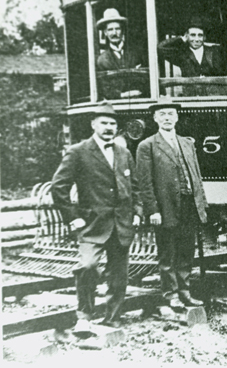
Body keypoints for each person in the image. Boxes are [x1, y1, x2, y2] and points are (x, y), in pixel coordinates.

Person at [51, 101, 142, 332]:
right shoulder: (78, 151)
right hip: (92, 224)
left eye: (112, 123)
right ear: (93, 124)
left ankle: (112, 318)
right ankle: (84, 316)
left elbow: (135, 187)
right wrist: (73, 217)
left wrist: (138, 212)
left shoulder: (124, 152)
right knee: (88, 266)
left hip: (121, 223)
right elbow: (59, 187)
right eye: (103, 123)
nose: (109, 127)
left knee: (119, 275)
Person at [136, 97, 208, 309]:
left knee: (186, 249)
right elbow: (145, 182)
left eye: (170, 114)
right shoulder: (146, 145)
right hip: (165, 206)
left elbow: (196, 176)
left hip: (189, 204)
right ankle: (171, 293)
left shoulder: (187, 143)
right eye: (162, 114)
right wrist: (152, 210)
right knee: (167, 251)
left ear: (177, 117)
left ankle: (185, 291)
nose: (167, 118)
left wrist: (202, 204)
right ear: (155, 118)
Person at [95, 8, 146, 99]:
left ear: (122, 30)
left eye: (117, 29)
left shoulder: (136, 54)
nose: (114, 33)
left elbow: (145, 79)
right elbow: (103, 88)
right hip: (116, 105)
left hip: (139, 100)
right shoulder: (102, 60)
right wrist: (121, 95)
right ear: (105, 33)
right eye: (110, 30)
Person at [158, 17, 227, 78]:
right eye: (193, 35)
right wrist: (181, 39)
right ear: (187, 36)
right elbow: (161, 48)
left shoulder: (215, 51)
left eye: (200, 35)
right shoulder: (182, 54)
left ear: (204, 37)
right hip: (191, 95)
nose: (196, 39)